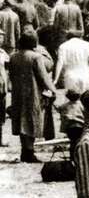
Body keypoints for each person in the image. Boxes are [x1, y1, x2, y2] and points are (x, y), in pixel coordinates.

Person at [8, 30, 57, 162]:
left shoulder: (13, 56)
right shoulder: (36, 57)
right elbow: (43, 76)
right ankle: (29, 152)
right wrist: (53, 90)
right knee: (32, 120)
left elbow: (11, 75)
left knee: (21, 121)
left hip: (18, 93)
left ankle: (25, 150)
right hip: (33, 93)